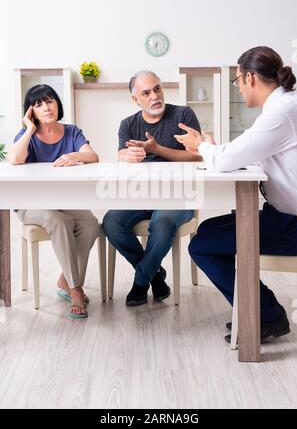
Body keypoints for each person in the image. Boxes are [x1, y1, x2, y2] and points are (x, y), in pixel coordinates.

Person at [174, 46, 297, 342]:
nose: (240, 89)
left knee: (201, 246)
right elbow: (244, 153)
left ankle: (265, 315)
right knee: (206, 230)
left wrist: (202, 147)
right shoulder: (281, 107)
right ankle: (261, 308)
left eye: (238, 81)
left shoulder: (282, 111)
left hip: (292, 225)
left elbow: (228, 159)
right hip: (284, 217)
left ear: (251, 78)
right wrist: (213, 149)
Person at [102, 70, 201, 306]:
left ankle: (140, 281)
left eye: (157, 88)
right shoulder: (128, 124)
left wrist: (157, 149)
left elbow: (198, 157)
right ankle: (155, 276)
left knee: (163, 221)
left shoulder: (183, 114)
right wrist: (126, 156)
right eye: (146, 93)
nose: (155, 95)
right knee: (111, 222)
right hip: (140, 193)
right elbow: (120, 155)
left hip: (179, 194)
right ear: (135, 99)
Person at [8, 84, 100, 319]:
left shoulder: (70, 131)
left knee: (90, 222)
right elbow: (15, 160)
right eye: (38, 104)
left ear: (57, 104)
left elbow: (92, 156)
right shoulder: (27, 135)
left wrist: (73, 155)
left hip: (61, 199)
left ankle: (65, 279)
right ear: (31, 112)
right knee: (57, 220)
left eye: (49, 101)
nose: (45, 107)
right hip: (30, 204)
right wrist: (29, 129)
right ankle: (75, 289)